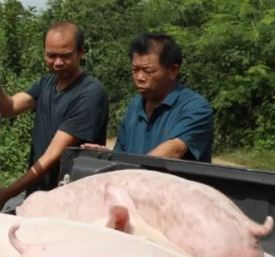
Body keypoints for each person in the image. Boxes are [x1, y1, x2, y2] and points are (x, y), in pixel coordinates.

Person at [0, 21, 109, 210]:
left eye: (65, 56)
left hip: (70, 201)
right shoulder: (47, 82)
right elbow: (9, 108)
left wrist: (8, 193)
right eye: (51, 55)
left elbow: (51, 157)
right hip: (39, 196)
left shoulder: (89, 94)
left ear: (81, 52)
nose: (57, 62)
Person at [82, 33, 214, 161]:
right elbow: (122, 155)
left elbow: (173, 151)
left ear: (173, 71)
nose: (139, 77)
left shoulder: (196, 108)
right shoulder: (135, 105)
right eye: (135, 70)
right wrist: (108, 157)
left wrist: (127, 170)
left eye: (148, 71)